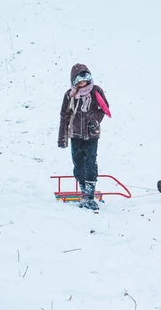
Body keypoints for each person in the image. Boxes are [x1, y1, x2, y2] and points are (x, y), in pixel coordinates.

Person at [58, 63, 110, 211]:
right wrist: (62, 137)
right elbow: (64, 116)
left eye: (85, 81)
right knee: (78, 164)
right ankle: (83, 189)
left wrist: (94, 120)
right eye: (79, 82)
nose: (83, 84)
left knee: (91, 163)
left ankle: (90, 195)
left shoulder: (96, 91)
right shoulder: (70, 95)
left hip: (92, 135)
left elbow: (104, 108)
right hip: (75, 135)